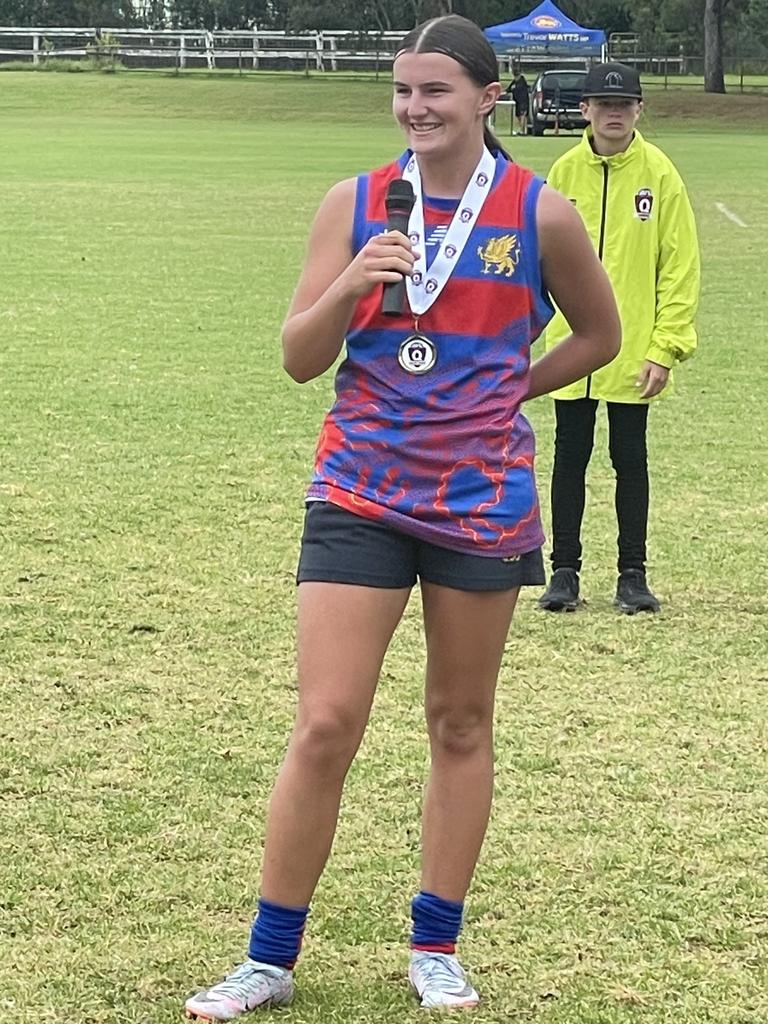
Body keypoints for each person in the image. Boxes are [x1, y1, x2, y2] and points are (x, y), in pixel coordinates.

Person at [184, 16, 619, 1021]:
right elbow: (299, 357)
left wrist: (514, 386)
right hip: (360, 491)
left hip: (481, 499)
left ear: (486, 99)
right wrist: (349, 281)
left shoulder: (538, 214)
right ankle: (268, 957)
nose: (417, 108)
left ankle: (436, 945)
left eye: (437, 91)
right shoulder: (353, 204)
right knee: (327, 721)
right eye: (402, 91)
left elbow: (601, 334)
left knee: (460, 723)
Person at [538, 62, 700, 615]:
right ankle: (564, 572)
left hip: (633, 349)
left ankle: (633, 574)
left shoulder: (660, 174)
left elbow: (679, 266)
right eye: (603, 104)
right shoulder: (562, 172)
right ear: (584, 109)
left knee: (630, 460)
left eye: (624, 104)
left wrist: (666, 347)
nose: (614, 112)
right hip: (569, 346)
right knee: (569, 458)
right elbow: (536, 262)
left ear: (638, 110)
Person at [510, 67, 530, 136]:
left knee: (523, 115)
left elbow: (518, 88)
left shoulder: (522, 81)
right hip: (517, 102)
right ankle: (522, 129)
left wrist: (514, 88)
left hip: (523, 101)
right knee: (518, 116)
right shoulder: (514, 81)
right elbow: (509, 88)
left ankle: (523, 131)